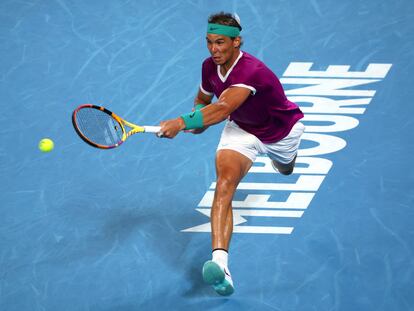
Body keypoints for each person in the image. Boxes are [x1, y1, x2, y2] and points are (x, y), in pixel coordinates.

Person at [159, 12, 305, 296]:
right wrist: (197, 122)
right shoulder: (208, 67)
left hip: (281, 133)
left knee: (286, 168)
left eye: (221, 43)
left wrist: (181, 122)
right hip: (241, 130)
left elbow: (223, 107)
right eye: (209, 42)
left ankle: (284, 162)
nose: (214, 49)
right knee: (224, 184)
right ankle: (220, 264)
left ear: (237, 42)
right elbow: (204, 101)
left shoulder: (251, 71)